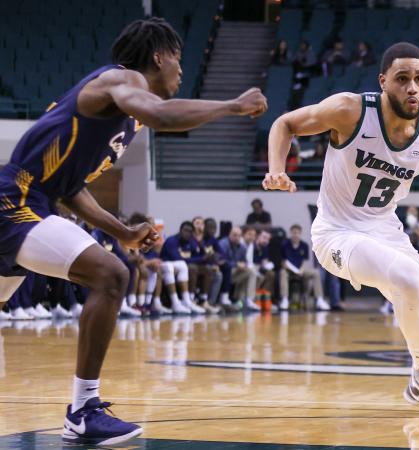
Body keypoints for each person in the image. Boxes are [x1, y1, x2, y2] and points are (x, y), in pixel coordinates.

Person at [0, 17, 265, 445]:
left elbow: (70, 189)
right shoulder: (120, 80)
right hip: (13, 203)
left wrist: (122, 231)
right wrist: (232, 106)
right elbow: (163, 116)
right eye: (178, 59)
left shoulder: (125, 117)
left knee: (110, 270)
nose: (180, 70)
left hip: (33, 204)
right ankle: (84, 409)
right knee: (112, 275)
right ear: (159, 56)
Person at [262, 42, 419, 417]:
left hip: (386, 231)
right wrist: (276, 169)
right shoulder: (349, 110)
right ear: (383, 82)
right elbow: (286, 124)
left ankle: (418, 381)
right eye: (402, 79)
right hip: (336, 233)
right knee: (411, 278)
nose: (412, 87)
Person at [278, 224, 328, 311]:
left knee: (316, 272)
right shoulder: (285, 245)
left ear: (300, 234)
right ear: (291, 233)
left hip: (300, 270)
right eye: (293, 233)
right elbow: (283, 262)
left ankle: (319, 299)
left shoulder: (304, 246)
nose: (295, 235)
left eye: (297, 233)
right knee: (282, 272)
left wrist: (301, 269)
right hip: (289, 271)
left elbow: (304, 261)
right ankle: (284, 299)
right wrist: (291, 269)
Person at [159, 221, 206, 314]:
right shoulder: (171, 241)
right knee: (180, 264)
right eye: (185, 230)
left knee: (184, 265)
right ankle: (175, 302)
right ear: (180, 231)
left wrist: (201, 246)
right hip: (164, 266)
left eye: (190, 231)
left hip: (176, 268)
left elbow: (200, 257)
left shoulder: (191, 242)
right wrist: (200, 258)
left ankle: (187, 300)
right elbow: (177, 258)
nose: (187, 233)